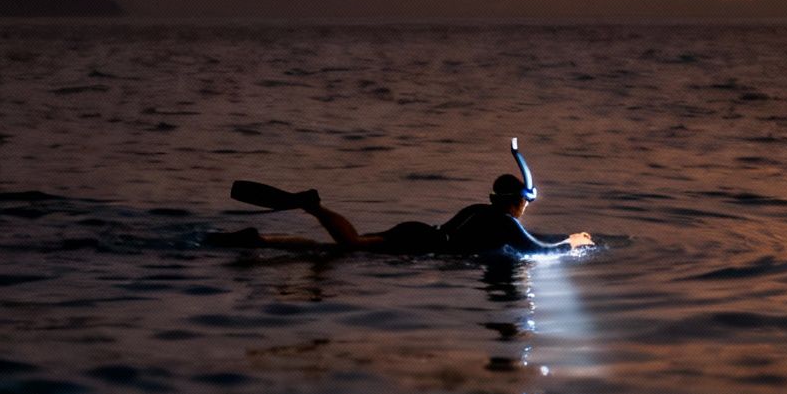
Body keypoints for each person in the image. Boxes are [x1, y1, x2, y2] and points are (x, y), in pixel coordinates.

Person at [211, 174, 593, 256]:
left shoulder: (480, 210)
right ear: (516, 202)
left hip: (420, 232)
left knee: (338, 249)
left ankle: (260, 240)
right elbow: (540, 252)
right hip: (422, 242)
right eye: (525, 201)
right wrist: (572, 243)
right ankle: (313, 205)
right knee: (352, 245)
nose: (526, 208)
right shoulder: (506, 223)